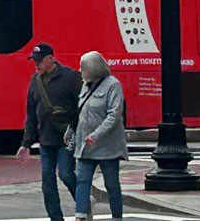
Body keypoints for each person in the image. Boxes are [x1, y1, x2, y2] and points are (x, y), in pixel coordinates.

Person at [16, 43, 81, 221]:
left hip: (66, 138)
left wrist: (77, 130)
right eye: (35, 61)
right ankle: (55, 218)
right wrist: (26, 143)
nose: (37, 65)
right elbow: (31, 113)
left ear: (50, 58)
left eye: (40, 61)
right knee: (47, 182)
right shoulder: (35, 81)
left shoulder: (71, 77)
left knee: (66, 174)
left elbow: (81, 107)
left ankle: (83, 204)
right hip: (46, 139)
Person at [71, 51, 127, 221]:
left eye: (83, 67)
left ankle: (117, 216)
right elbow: (80, 111)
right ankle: (80, 214)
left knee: (111, 184)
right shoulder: (85, 85)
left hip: (107, 146)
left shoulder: (113, 85)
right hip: (85, 145)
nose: (80, 70)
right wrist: (71, 131)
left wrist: (96, 135)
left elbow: (114, 114)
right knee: (82, 181)